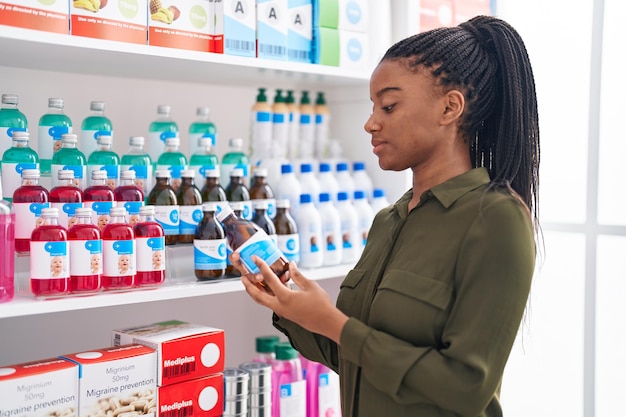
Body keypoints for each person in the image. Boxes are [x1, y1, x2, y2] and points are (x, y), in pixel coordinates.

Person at [233, 15, 540, 417]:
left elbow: (466, 388)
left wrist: (335, 323)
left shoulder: (496, 219)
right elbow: (355, 358)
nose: (371, 122)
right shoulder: (388, 220)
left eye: (389, 105)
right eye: (373, 106)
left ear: (450, 107)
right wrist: (289, 304)